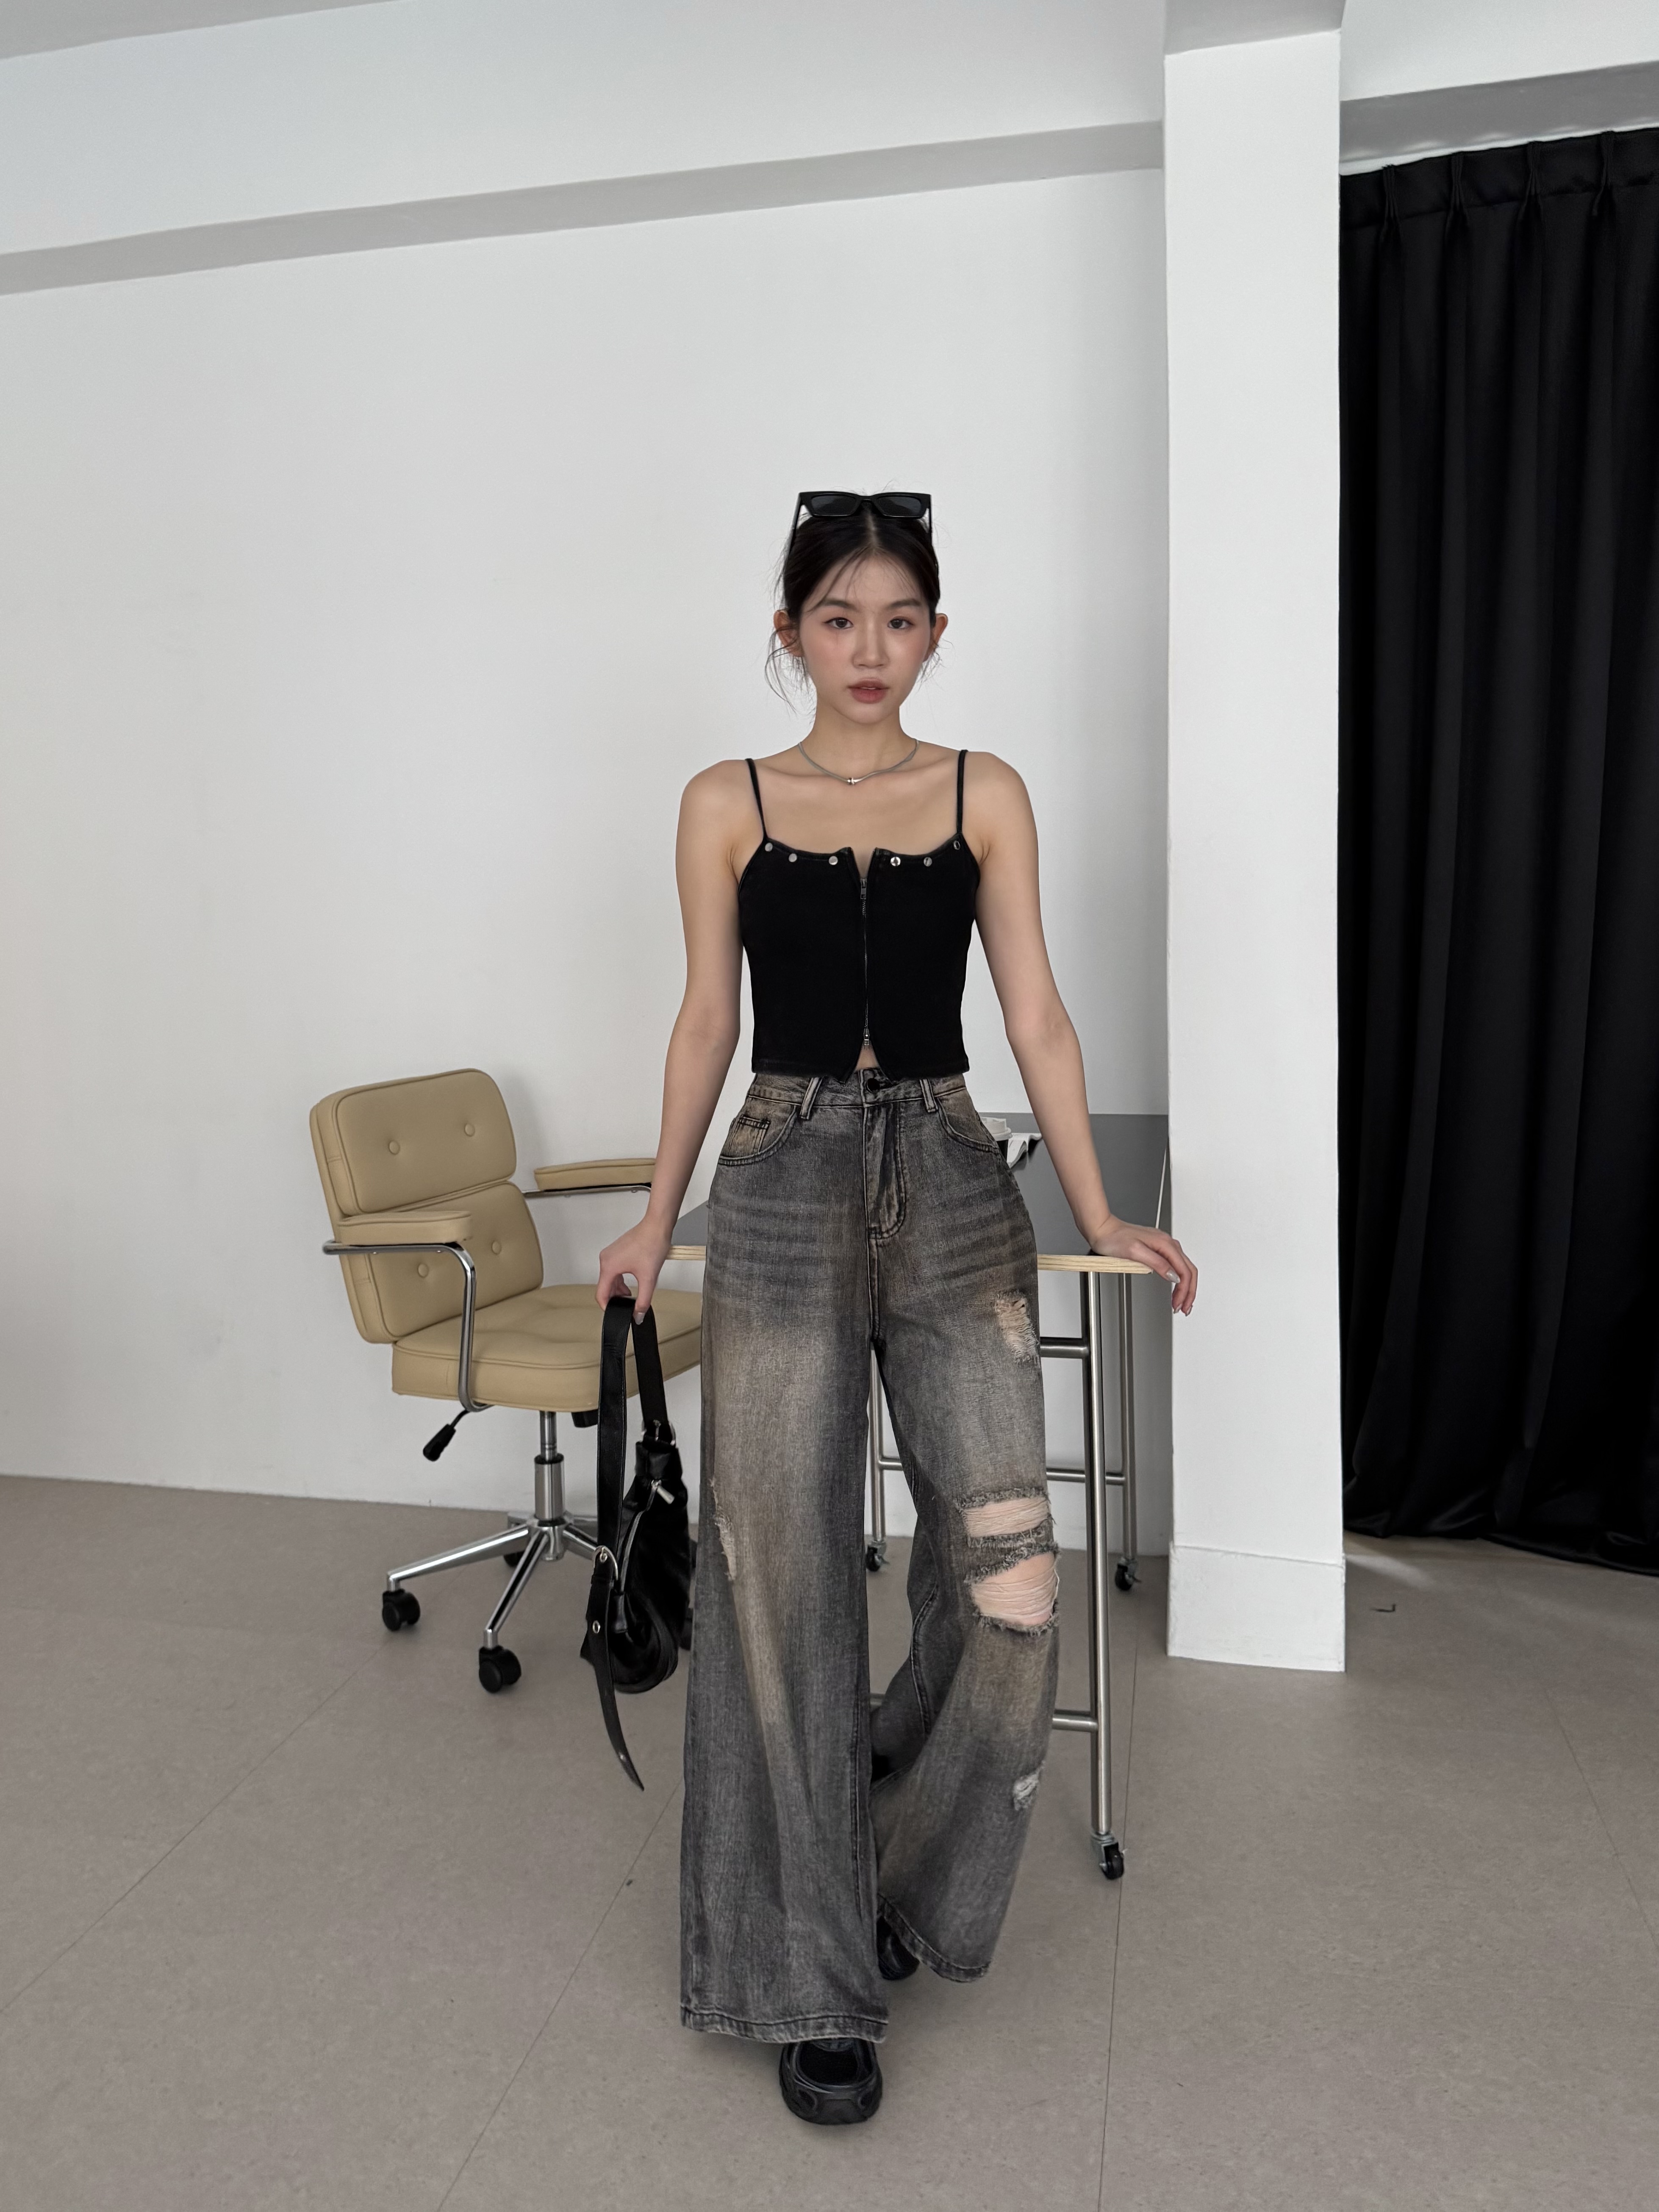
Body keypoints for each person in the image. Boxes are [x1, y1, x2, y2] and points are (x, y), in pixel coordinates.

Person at [597, 490, 1196, 2125]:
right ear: (788, 630)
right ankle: (805, 1980)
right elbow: (704, 1022)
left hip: (946, 1175)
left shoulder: (982, 790)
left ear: (937, 631)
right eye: (838, 617)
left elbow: (1037, 1015)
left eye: (900, 618)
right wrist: (655, 1213)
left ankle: (881, 1852)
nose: (870, 649)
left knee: (1010, 1590)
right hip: (781, 1181)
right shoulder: (723, 802)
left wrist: (1101, 1214)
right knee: (779, 1580)